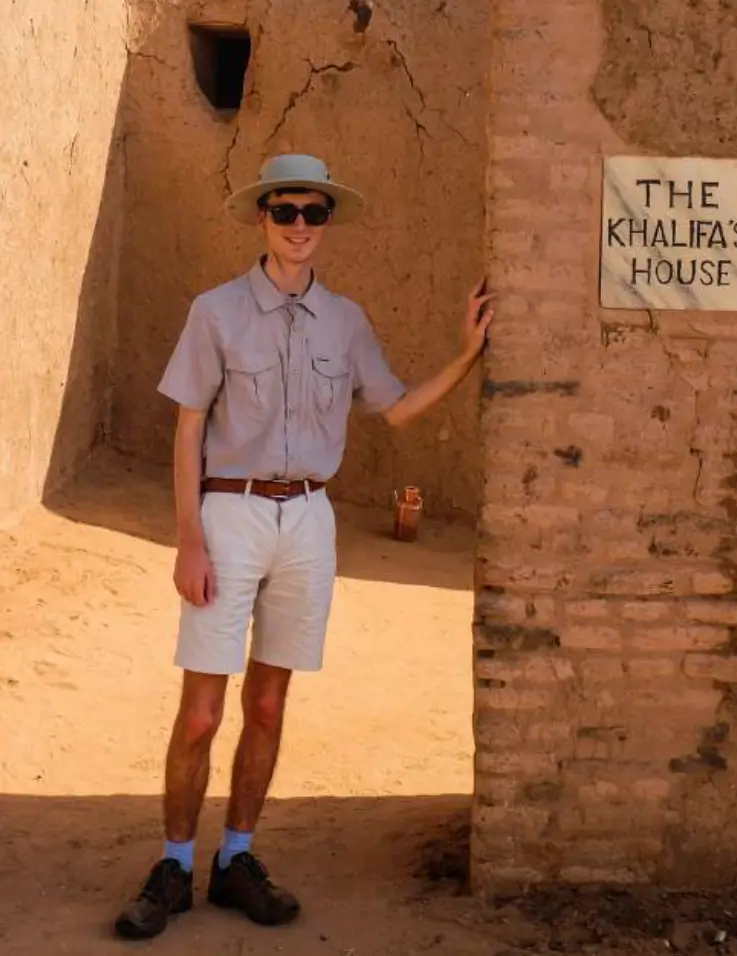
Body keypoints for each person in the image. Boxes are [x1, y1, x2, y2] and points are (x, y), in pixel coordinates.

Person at [114, 153, 495, 940]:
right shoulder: (215, 312)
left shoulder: (347, 322)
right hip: (231, 516)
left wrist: (464, 356)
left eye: (312, 214)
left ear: (327, 225)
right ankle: (175, 865)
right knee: (201, 713)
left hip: (309, 522)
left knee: (267, 702)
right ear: (262, 217)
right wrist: (189, 540)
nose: (298, 227)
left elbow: (391, 409)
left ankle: (238, 859)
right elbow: (189, 431)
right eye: (284, 212)